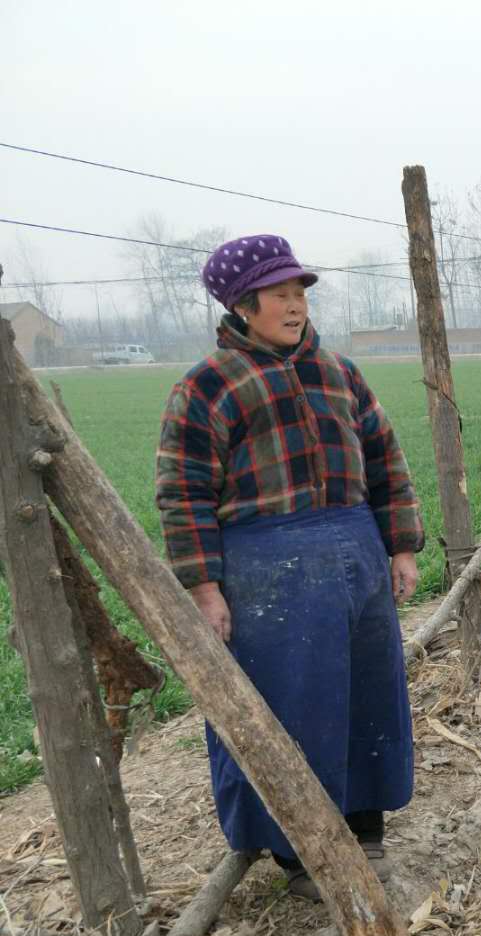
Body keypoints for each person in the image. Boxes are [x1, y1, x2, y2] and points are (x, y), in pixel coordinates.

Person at [155, 234, 425, 901]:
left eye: (299, 291)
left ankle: (365, 827)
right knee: (291, 709)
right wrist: (204, 587)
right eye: (279, 294)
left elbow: (386, 462)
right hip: (268, 572)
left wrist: (401, 546)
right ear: (243, 307)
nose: (295, 304)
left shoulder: (340, 373)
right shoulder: (207, 387)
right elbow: (183, 492)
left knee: (367, 695)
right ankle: (299, 852)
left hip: (356, 557)